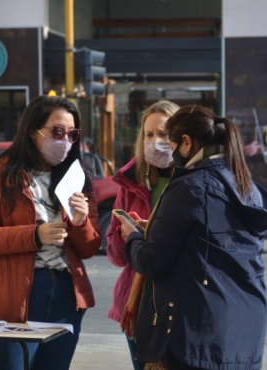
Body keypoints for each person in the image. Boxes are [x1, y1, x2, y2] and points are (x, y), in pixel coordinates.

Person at [116, 104, 267, 369]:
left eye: (169, 143)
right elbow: (208, 241)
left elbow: (153, 262)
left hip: (196, 332)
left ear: (186, 143)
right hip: (246, 329)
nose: (166, 150)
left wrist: (133, 237)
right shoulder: (245, 185)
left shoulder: (188, 187)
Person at [0, 95, 102, 370]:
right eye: (57, 131)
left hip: (66, 293)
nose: (64, 140)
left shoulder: (77, 179)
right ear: (33, 131)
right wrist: (35, 235)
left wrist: (80, 222)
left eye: (72, 134)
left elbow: (89, 248)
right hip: (17, 296)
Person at [106, 100, 179, 369]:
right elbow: (115, 256)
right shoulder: (131, 183)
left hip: (177, 302)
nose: (155, 141)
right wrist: (126, 236)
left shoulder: (191, 179)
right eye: (149, 135)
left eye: (163, 134)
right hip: (137, 303)